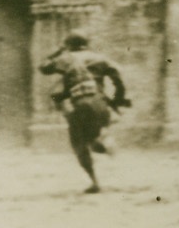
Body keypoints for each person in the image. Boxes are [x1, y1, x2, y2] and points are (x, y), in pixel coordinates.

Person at [39, 31, 129, 193]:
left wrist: (58, 51)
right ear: (86, 44)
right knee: (94, 139)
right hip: (99, 103)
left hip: (79, 104)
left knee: (79, 143)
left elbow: (44, 67)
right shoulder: (99, 58)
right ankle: (104, 137)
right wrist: (118, 100)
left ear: (68, 45)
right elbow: (118, 78)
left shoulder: (65, 58)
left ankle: (94, 181)